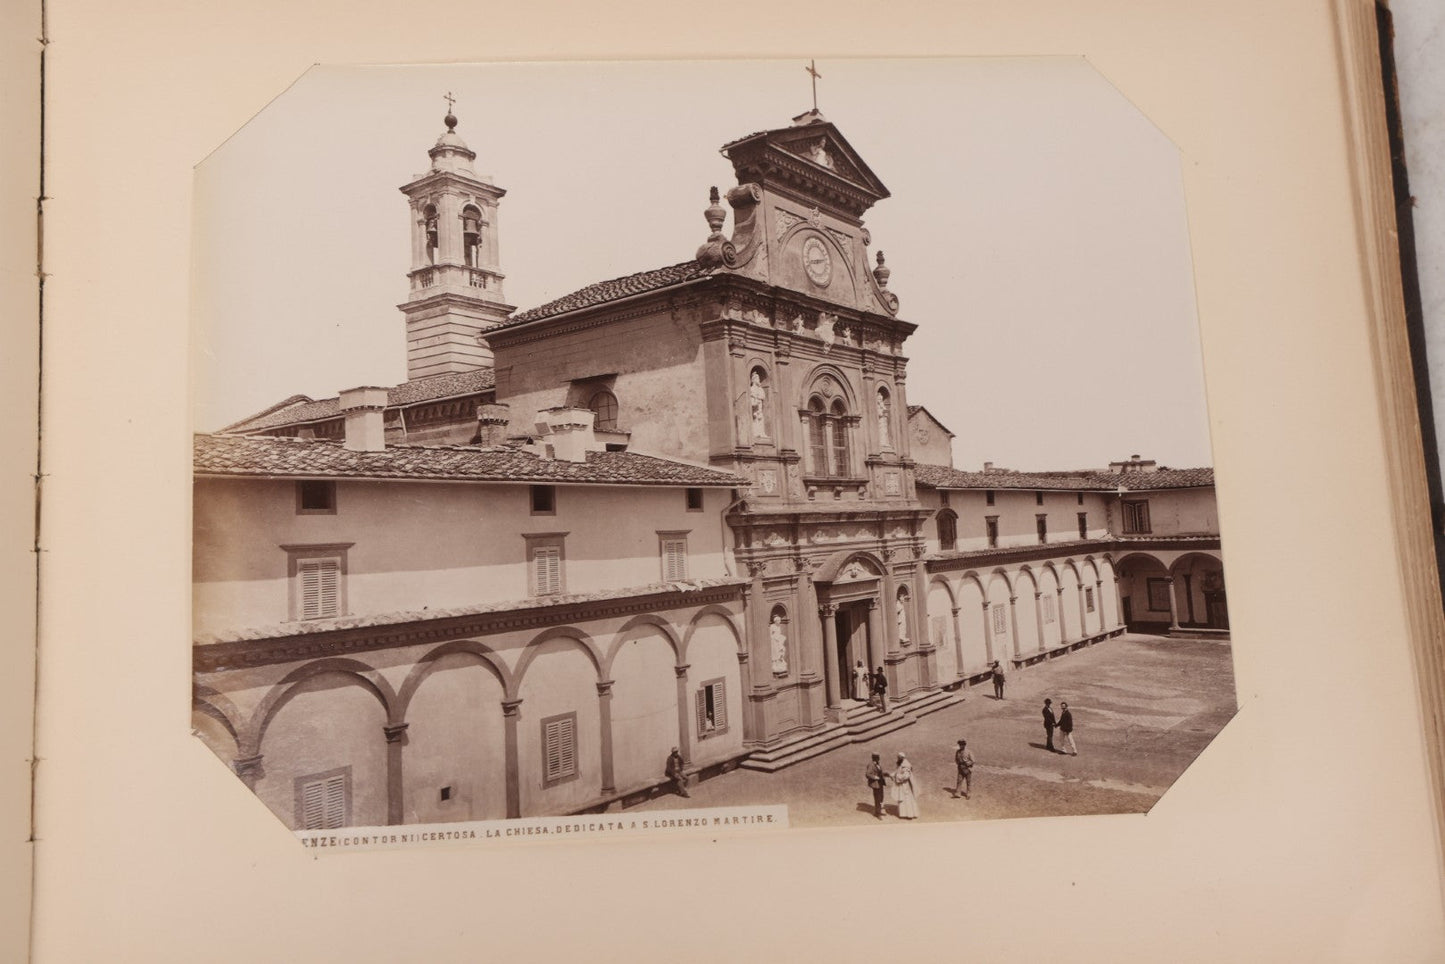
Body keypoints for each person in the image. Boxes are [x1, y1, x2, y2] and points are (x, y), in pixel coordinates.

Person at [892, 752, 919, 819]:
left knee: (907, 799)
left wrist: (897, 777)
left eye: (898, 758)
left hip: (905, 785)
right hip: (902, 785)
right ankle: (903, 814)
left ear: (902, 758)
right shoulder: (901, 764)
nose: (897, 759)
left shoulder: (906, 765)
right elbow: (897, 772)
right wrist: (891, 775)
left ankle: (910, 815)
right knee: (902, 799)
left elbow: (906, 776)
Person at [865, 752, 887, 819]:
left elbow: (880, 772)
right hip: (876, 784)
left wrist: (886, 774)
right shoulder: (871, 765)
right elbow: (867, 774)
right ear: (874, 758)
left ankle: (878, 811)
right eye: (877, 757)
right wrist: (875, 777)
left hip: (880, 783)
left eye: (878, 757)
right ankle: (878, 813)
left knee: (881, 797)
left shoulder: (878, 764)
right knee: (877, 798)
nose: (878, 758)